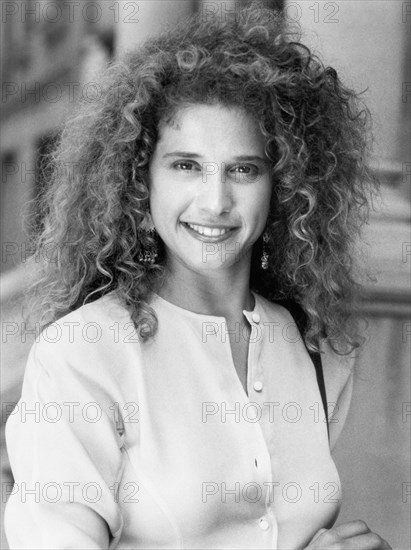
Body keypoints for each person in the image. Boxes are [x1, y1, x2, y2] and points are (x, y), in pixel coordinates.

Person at [4, 3, 391, 549]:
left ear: (284, 185)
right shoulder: (82, 355)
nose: (215, 201)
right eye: (186, 165)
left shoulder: (315, 349)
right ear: (142, 181)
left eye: (243, 169)